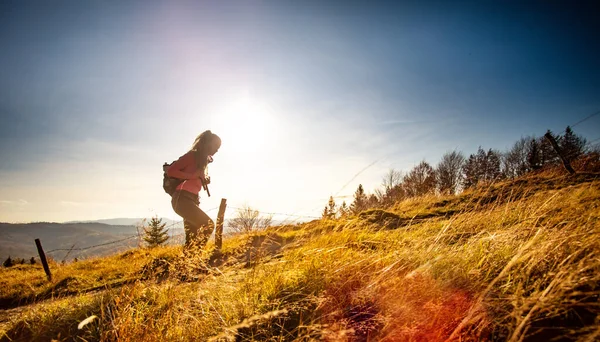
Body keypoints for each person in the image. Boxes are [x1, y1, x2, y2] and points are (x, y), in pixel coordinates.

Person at [167, 130, 221, 250]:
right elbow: (171, 171)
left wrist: (203, 180)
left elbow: (194, 177)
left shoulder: (203, 161)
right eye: (216, 146)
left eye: (219, 148)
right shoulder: (192, 156)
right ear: (207, 143)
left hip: (192, 200)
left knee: (192, 237)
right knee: (208, 225)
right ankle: (196, 257)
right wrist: (192, 176)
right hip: (181, 199)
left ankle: (188, 263)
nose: (217, 150)